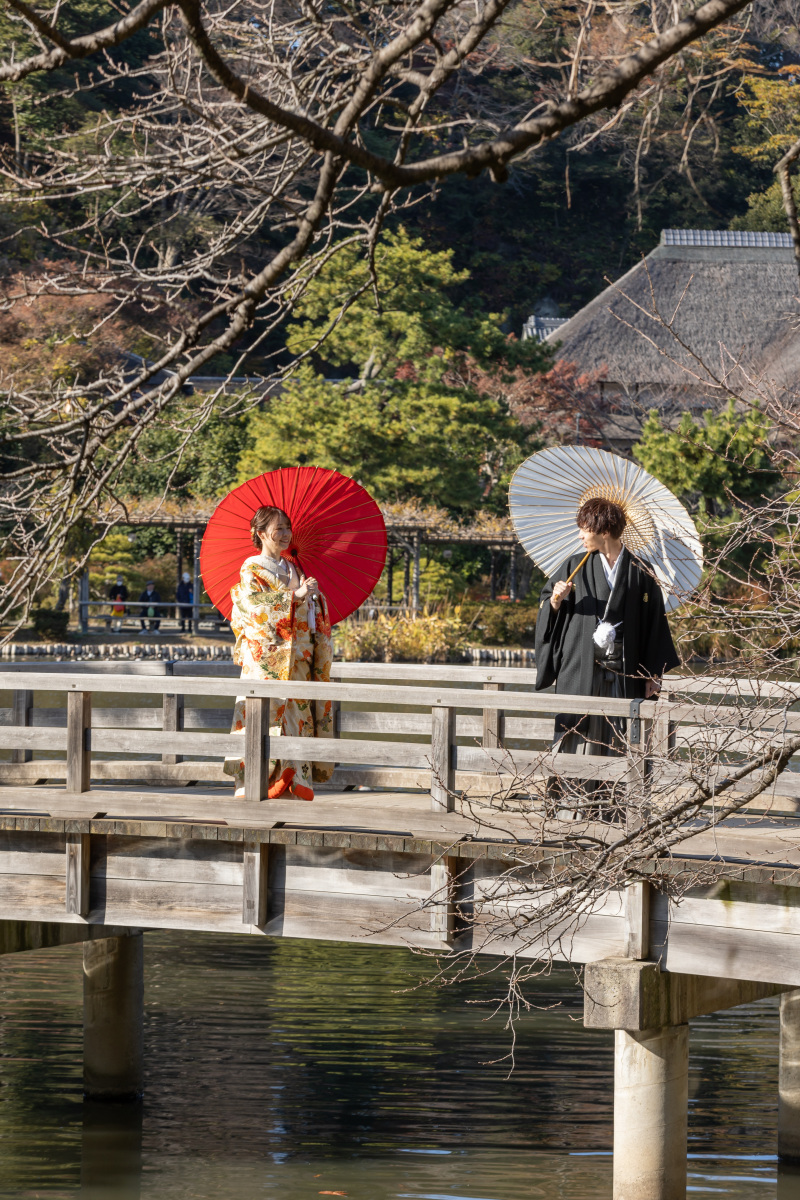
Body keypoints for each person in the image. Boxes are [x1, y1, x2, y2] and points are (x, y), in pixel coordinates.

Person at [534, 496, 679, 815]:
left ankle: (617, 809)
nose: (580, 535)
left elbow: (655, 623)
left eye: (584, 529)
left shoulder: (641, 569)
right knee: (576, 731)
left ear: (603, 530)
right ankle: (569, 806)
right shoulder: (574, 565)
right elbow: (546, 606)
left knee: (620, 736)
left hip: (623, 671)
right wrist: (556, 602)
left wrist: (654, 674)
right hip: (580, 667)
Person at [223, 505, 334, 801]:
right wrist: (293, 596)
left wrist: (313, 598)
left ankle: (295, 783)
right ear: (260, 533)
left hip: (299, 660)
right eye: (278, 529)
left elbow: (305, 613)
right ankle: (253, 784)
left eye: (287, 527)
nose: (285, 534)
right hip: (266, 662)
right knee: (262, 719)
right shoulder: (252, 567)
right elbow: (254, 610)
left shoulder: (293, 567)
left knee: (297, 720)